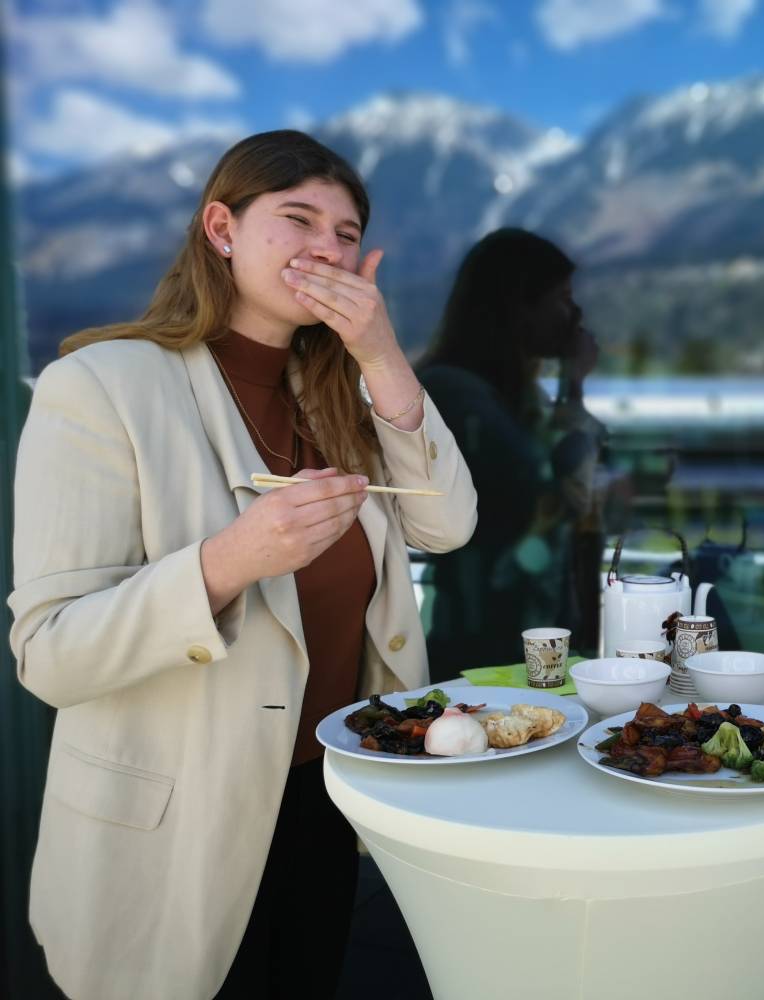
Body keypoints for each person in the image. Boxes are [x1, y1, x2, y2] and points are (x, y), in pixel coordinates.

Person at [7, 130, 478, 999]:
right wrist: (229, 562)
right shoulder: (101, 386)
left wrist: (379, 354)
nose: (325, 248)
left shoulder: (335, 394)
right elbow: (52, 653)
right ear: (221, 229)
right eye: (297, 218)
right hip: (176, 824)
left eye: (345, 233)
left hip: (322, 801)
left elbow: (446, 526)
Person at [416, 227, 612, 678]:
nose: (575, 313)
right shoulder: (459, 396)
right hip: (482, 643)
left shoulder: (509, 396)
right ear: (519, 305)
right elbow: (552, 493)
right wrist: (575, 388)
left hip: (517, 637)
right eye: (562, 297)